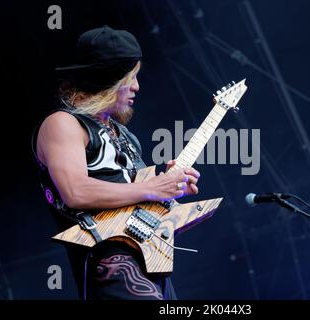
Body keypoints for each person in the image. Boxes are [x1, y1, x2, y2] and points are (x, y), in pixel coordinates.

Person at [31, 26, 200, 300]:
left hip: (151, 261)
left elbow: (138, 205)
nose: (137, 86)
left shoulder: (124, 135)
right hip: (110, 265)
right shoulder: (62, 124)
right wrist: (153, 188)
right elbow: (76, 192)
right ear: (107, 80)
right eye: (130, 77)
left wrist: (172, 189)